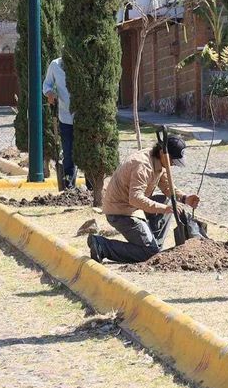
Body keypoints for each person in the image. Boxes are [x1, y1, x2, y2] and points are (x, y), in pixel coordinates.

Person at [87, 134, 201, 264]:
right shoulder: (143, 165)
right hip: (120, 212)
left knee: (167, 201)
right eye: (173, 161)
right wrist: (165, 209)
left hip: (133, 208)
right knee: (150, 253)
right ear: (163, 153)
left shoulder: (158, 161)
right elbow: (135, 198)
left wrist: (185, 198)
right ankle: (102, 245)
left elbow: (166, 186)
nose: (173, 165)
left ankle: (151, 244)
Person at [43, 57, 76, 187]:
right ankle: (69, 185)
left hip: (85, 116)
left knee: (88, 151)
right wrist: (50, 93)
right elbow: (47, 84)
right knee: (68, 153)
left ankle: (91, 186)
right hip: (65, 116)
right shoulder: (55, 65)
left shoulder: (84, 60)